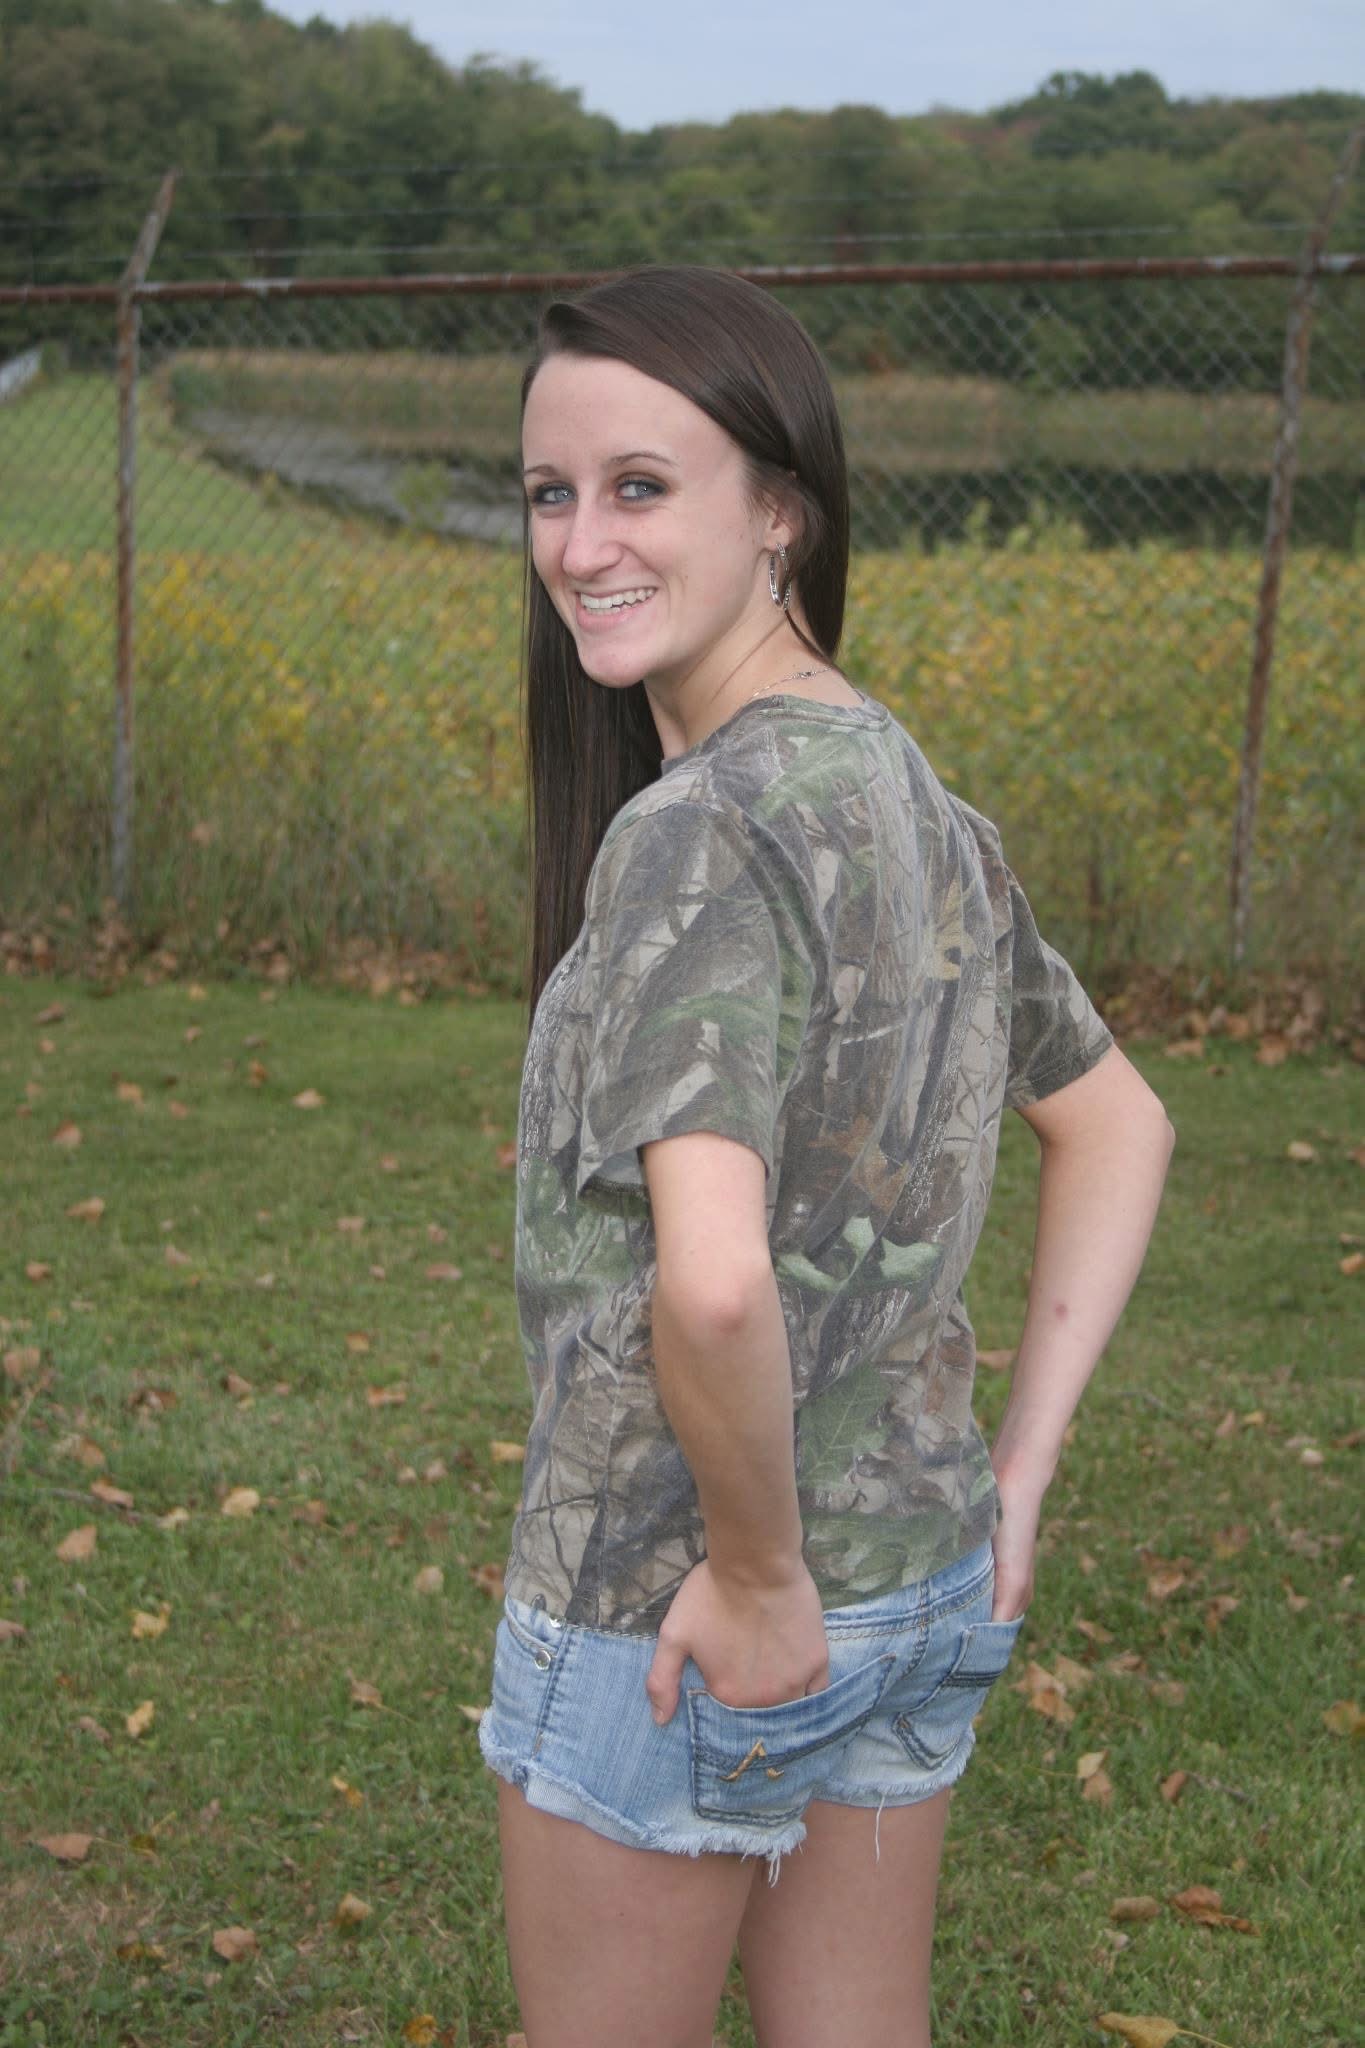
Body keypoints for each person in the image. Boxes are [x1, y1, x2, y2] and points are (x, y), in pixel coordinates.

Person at [477, 264, 1175, 2048]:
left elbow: (712, 1286)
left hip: (679, 1602)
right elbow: (1118, 1119)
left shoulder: (698, 832)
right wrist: (1012, 1478)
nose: (578, 545)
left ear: (780, 510)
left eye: (641, 487)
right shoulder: (911, 794)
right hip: (917, 1577)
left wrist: (760, 1577)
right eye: (549, 492)